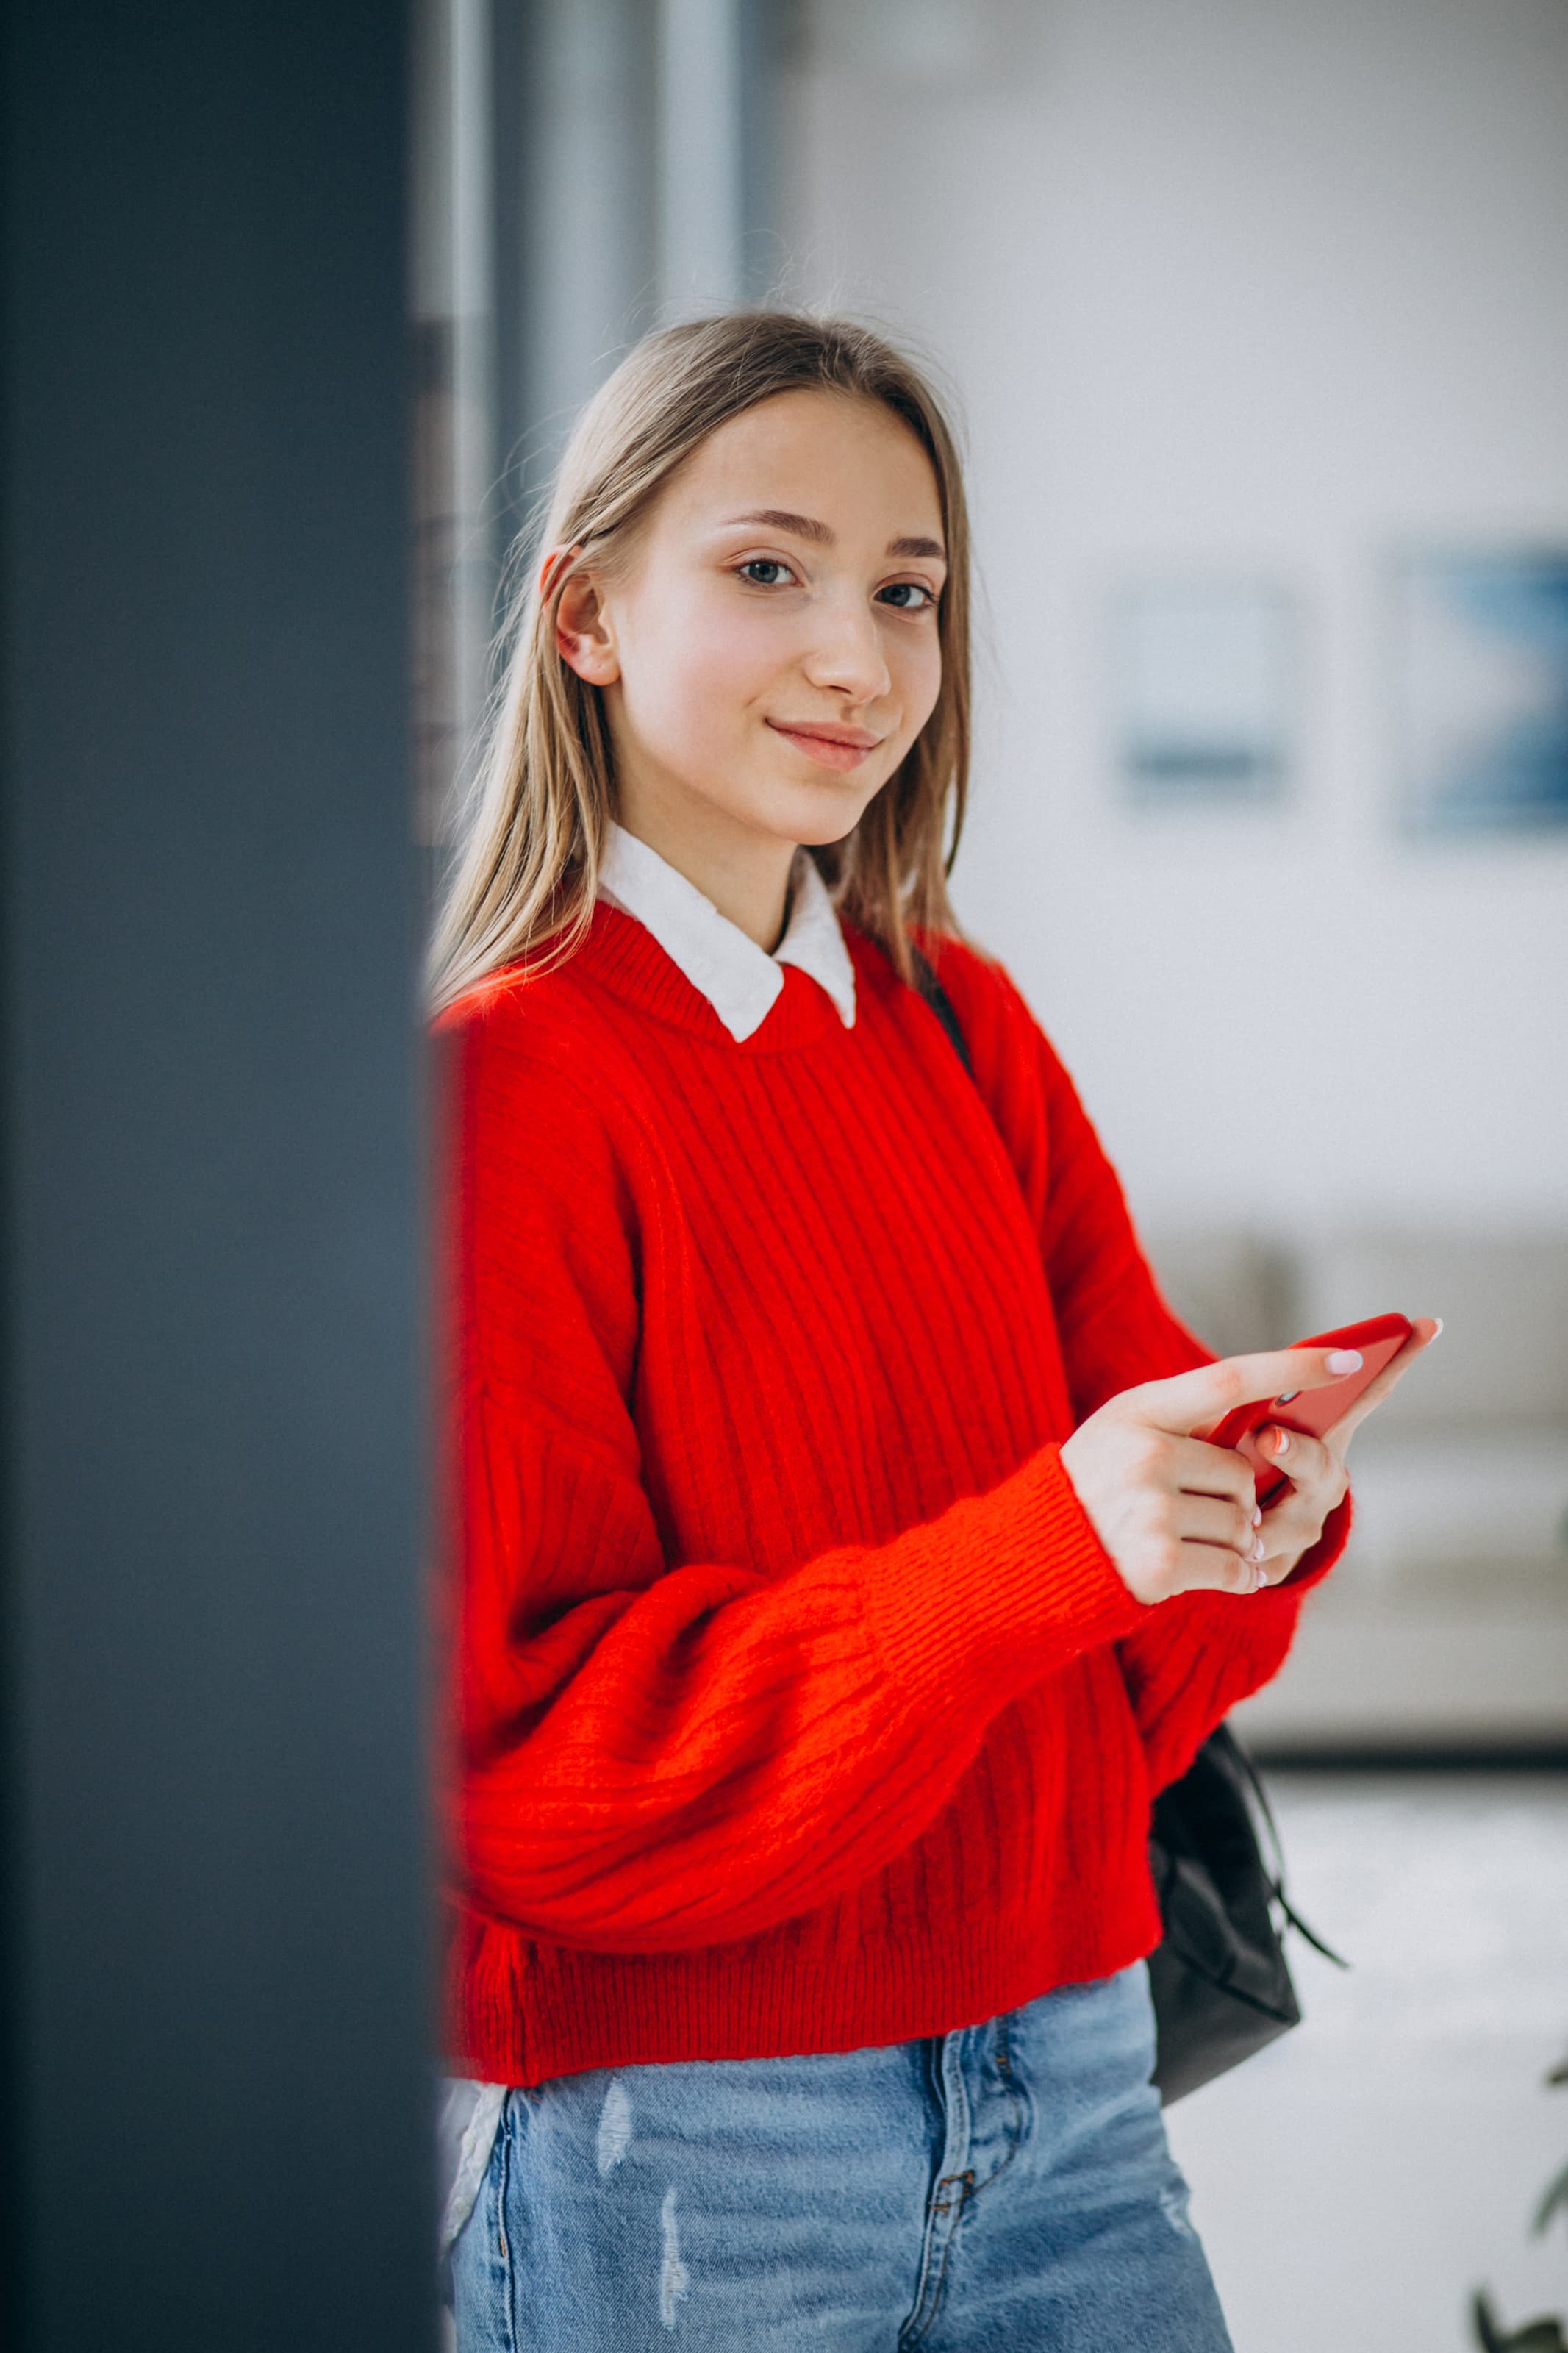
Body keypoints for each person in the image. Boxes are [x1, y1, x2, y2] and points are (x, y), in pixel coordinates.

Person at [429, 311, 1436, 2352]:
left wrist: (1237, 1511)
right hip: (679, 2143)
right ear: (586, 615)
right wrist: (1041, 1557)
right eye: (769, 569)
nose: (861, 661)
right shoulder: (502, 1091)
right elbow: (523, 1775)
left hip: (1074, 2077)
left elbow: (1114, 1667)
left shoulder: (963, 1028)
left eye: (909, 592)